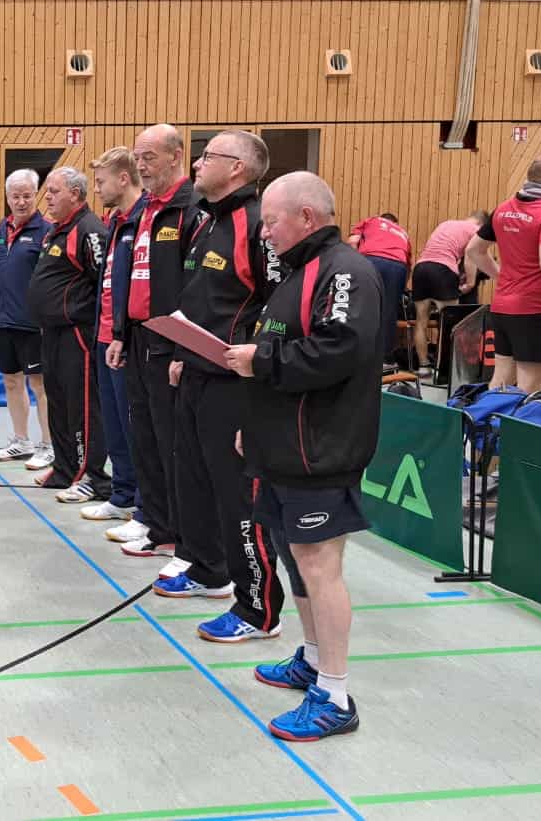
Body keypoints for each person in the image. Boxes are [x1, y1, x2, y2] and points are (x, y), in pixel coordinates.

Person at [223, 171, 383, 743]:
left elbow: (339, 349)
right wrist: (252, 426)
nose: (263, 232)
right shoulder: (295, 273)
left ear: (307, 218)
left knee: (319, 564)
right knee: (295, 558)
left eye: (270, 221)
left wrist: (260, 362)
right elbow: (280, 345)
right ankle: (313, 659)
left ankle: (334, 695)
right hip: (281, 446)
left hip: (321, 449)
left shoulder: (345, 271)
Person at [155, 131, 285, 647]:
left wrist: (257, 362)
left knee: (237, 497)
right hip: (196, 372)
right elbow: (204, 300)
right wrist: (183, 355)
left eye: (207, 157)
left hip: (236, 383)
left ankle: (258, 608)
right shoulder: (207, 220)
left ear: (237, 168)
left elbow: (278, 304)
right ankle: (209, 570)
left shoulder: (256, 224)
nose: (197, 164)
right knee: (194, 480)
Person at [107, 124, 194, 558]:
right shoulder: (146, 210)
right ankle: (155, 524)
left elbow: (194, 287)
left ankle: (180, 530)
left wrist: (183, 348)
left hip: (169, 340)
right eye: (138, 158)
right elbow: (132, 278)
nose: (141, 165)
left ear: (176, 156)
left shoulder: (190, 208)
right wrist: (121, 333)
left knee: (170, 441)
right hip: (139, 336)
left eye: (150, 157)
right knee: (144, 435)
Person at [466, 155, 541, 393]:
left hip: (503, 307)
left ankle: (483, 419)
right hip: (536, 309)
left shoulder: (504, 208)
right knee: (528, 389)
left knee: (500, 383)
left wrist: (502, 278)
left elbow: (474, 250)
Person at [25, 167, 111, 504]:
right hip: (52, 333)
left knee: (82, 406)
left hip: (78, 333)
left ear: (75, 194)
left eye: (54, 191)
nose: (46, 197)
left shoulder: (89, 230)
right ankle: (64, 469)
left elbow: (103, 282)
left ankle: (92, 476)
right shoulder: (56, 231)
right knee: (58, 402)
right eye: (46, 191)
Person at [84, 146, 144, 523]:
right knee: (115, 425)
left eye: (100, 181)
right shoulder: (116, 223)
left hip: (129, 342)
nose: (97, 188)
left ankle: (143, 504)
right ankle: (121, 494)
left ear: (123, 179)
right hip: (104, 337)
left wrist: (124, 334)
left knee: (134, 427)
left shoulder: (143, 221)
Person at [0, 169, 54, 470]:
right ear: (7, 197)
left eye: (27, 195)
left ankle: (49, 445)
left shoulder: (47, 232)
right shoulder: (1, 232)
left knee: (40, 385)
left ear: (35, 195)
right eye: (16, 196)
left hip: (33, 323)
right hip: (4, 319)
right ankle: (21, 441)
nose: (21, 201)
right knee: (11, 381)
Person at [410, 212, 487, 377]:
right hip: (442, 270)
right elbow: (471, 256)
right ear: (482, 224)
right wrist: (470, 283)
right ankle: (447, 369)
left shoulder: (446, 223)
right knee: (451, 324)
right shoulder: (476, 230)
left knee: (421, 322)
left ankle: (424, 367)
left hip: (421, 268)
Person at [347, 212, 411, 363]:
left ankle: (357, 354)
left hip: (371, 259)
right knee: (389, 312)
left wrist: (354, 268)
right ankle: (385, 359)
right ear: (395, 223)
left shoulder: (371, 221)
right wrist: (401, 287)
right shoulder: (403, 233)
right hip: (398, 266)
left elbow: (352, 242)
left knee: (361, 307)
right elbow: (408, 266)